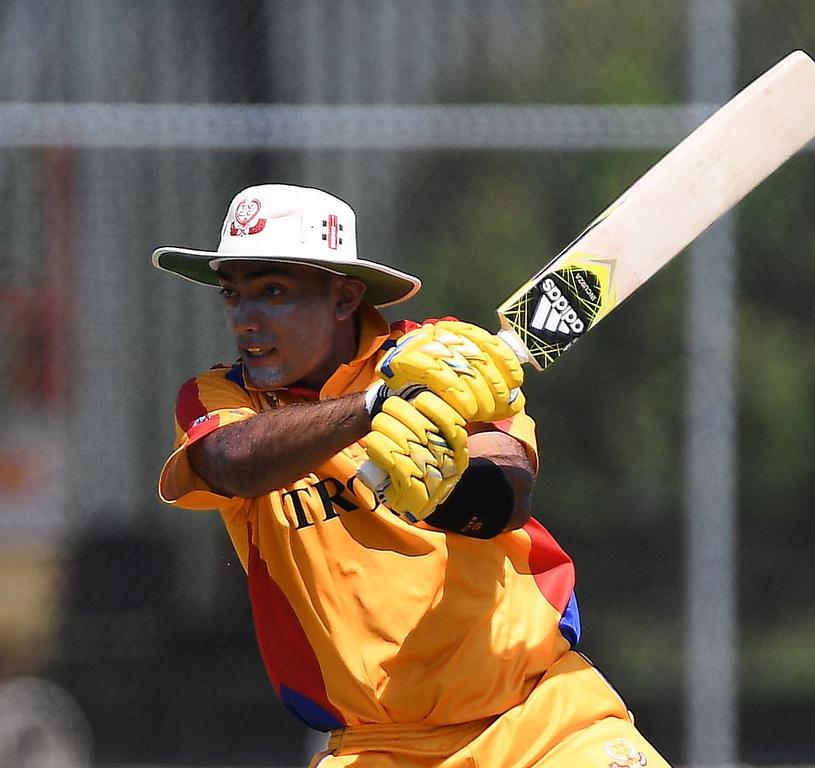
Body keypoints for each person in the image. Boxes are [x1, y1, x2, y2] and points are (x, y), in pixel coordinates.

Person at [153, 183, 670, 768]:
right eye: (232, 294)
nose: (245, 319)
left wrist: (444, 486)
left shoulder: (440, 356)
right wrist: (375, 407)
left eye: (272, 291)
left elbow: (509, 489)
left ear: (345, 296)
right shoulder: (221, 398)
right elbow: (231, 462)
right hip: (377, 748)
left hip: (541, 719)